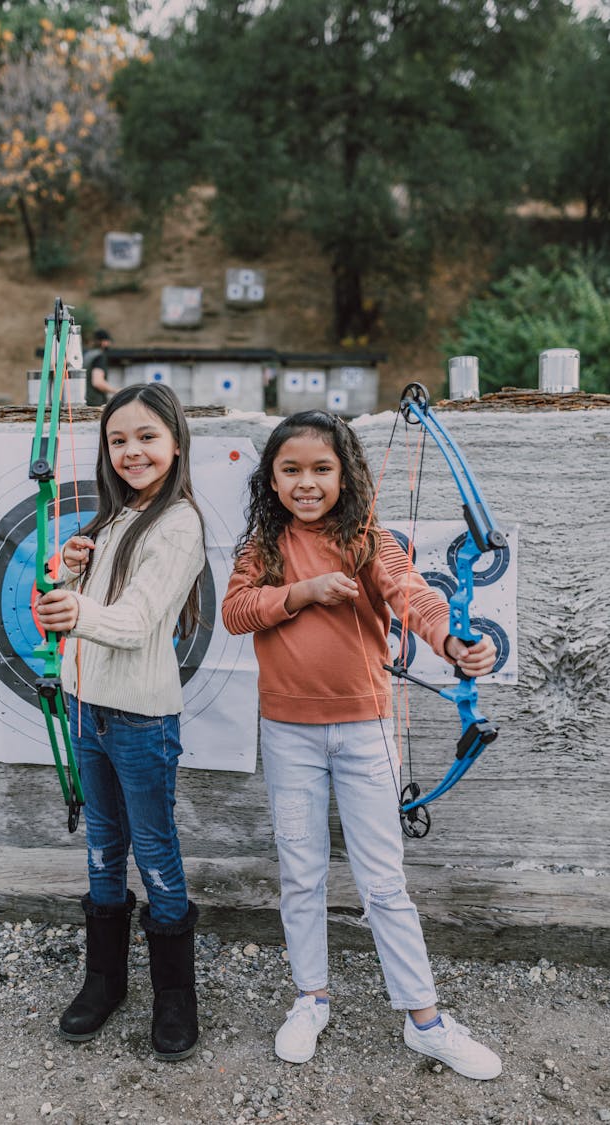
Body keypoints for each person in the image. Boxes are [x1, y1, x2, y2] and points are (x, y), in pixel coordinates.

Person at [221, 410, 502, 1080]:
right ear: (272, 477)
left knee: (382, 879)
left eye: (322, 468)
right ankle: (310, 997)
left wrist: (456, 642)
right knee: (302, 870)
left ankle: (425, 1019)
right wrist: (303, 592)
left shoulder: (370, 539)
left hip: (364, 730)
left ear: (345, 475)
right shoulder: (262, 543)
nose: (307, 482)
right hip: (287, 731)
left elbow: (419, 601)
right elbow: (236, 611)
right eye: (291, 469)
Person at [36, 383, 206, 1061]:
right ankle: (104, 981)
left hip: (141, 720)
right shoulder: (108, 523)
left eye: (146, 437)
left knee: (156, 853)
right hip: (88, 710)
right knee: (103, 848)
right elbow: (69, 610)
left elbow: (134, 624)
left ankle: (174, 996)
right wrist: (66, 576)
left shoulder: (180, 522)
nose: (131, 450)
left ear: (174, 442)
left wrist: (77, 612)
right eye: (117, 439)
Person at [83, 328, 119, 405]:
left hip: (85, 401)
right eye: (108, 341)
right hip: (95, 403)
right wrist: (117, 391)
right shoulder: (99, 356)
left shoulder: (87, 355)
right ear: (103, 342)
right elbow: (98, 382)